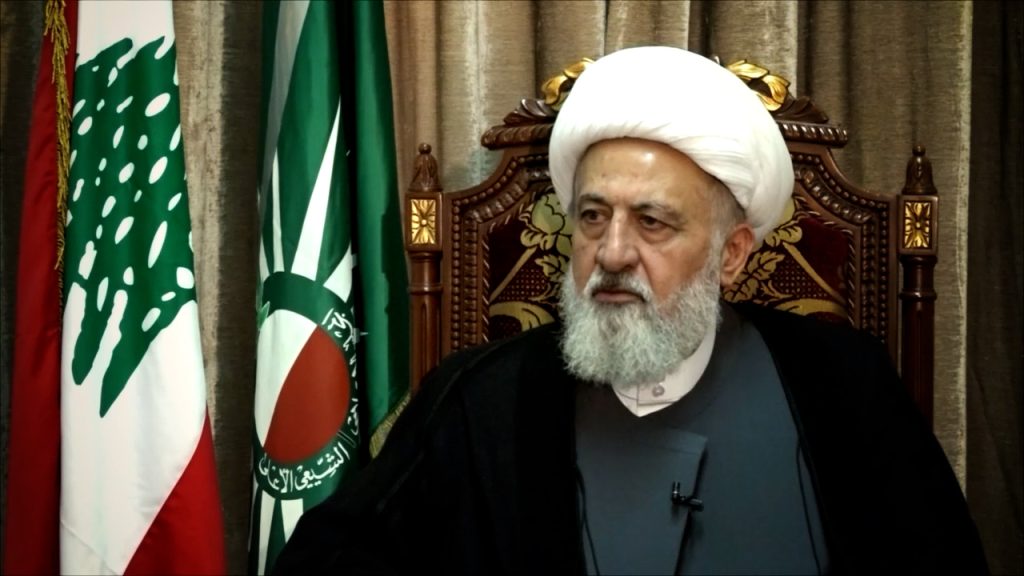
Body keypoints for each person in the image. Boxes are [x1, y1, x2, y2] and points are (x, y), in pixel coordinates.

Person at [273, 46, 986, 575]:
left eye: (652, 222)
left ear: (732, 254)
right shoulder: (477, 400)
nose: (611, 253)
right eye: (592, 217)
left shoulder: (843, 385)